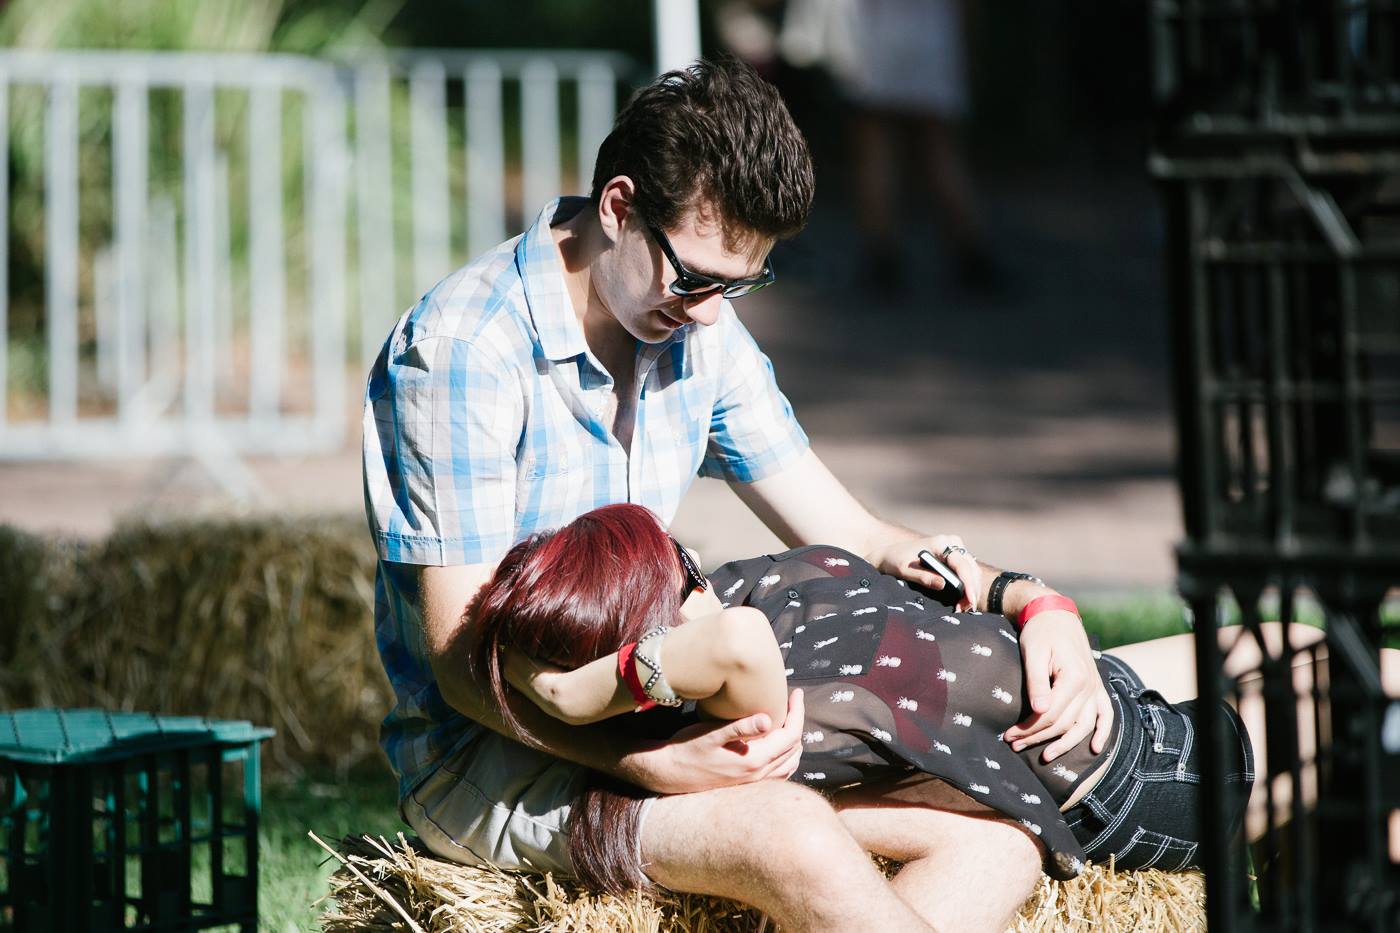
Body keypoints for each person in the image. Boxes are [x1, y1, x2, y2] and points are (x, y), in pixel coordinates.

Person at [363, 56, 1112, 933]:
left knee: (1001, 838)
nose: (714, 313)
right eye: (697, 279)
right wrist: (643, 763)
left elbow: (856, 532)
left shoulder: (693, 324)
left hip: (651, 713)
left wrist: (1029, 598)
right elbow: (459, 665)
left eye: (740, 284)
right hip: (494, 755)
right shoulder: (462, 350)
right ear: (618, 209)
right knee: (785, 832)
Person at [466, 503, 1400, 917]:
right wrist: (572, 694)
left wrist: (1036, 604)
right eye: (673, 585)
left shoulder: (724, 594)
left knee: (1306, 636)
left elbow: (906, 564)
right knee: (1376, 700)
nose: (696, 579)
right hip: (1128, 770)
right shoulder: (743, 713)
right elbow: (735, 639)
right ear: (654, 652)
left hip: (1093, 683)